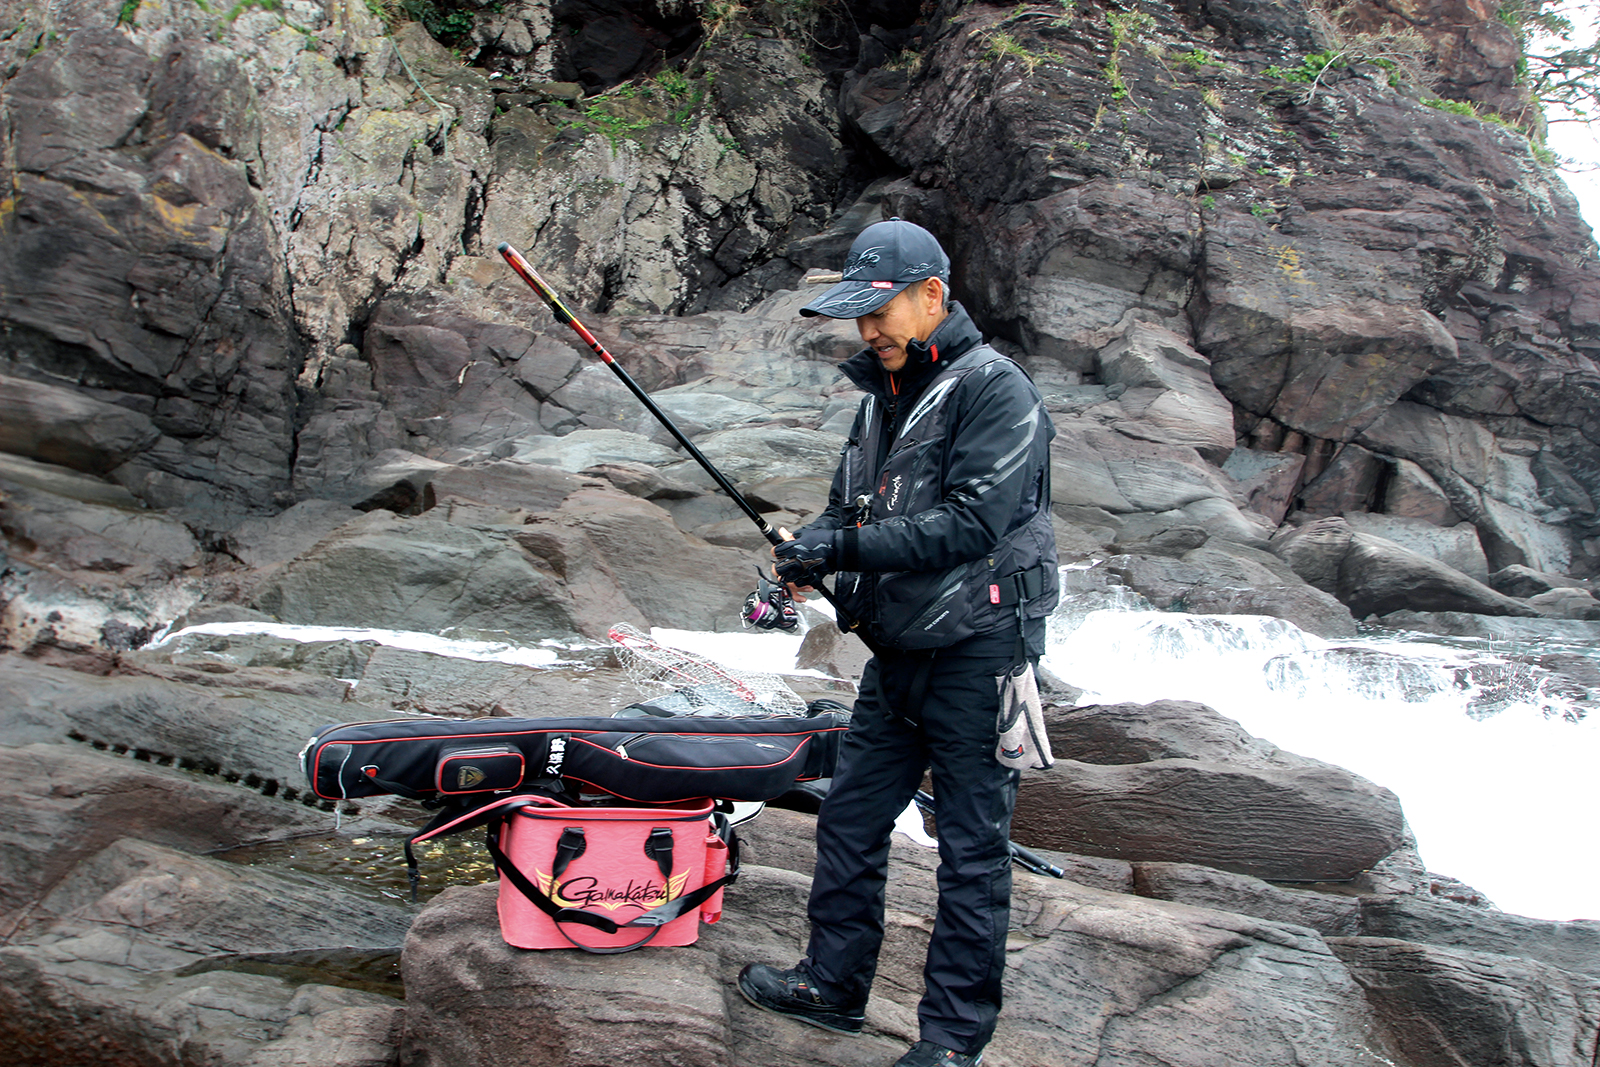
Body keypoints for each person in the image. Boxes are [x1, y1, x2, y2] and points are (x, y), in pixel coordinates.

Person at [737, 218, 1059, 1067]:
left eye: (880, 310)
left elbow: (967, 524)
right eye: (859, 315)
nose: (869, 329)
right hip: (899, 653)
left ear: (932, 297)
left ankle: (951, 1044)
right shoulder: (883, 398)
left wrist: (836, 551)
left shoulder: (998, 390)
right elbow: (846, 512)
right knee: (849, 815)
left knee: (971, 851)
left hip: (981, 652)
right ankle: (832, 987)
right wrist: (804, 549)